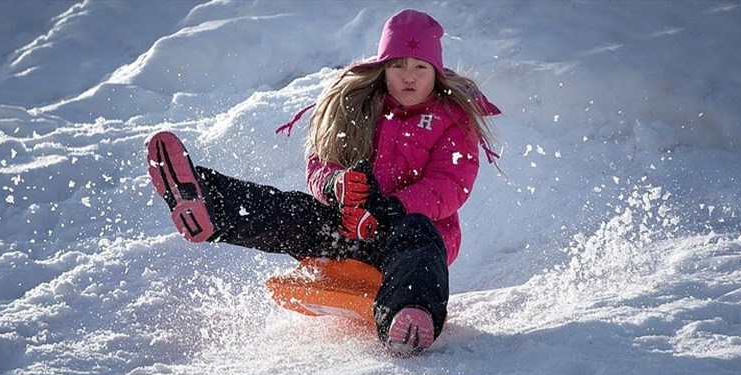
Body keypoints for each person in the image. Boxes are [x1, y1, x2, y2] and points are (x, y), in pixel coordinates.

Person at [146, 9, 500, 355]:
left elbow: (449, 185)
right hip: (347, 227)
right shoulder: (359, 105)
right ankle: (210, 204)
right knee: (294, 211)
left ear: (435, 72)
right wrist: (336, 186)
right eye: (397, 65)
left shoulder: (450, 118)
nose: (409, 77)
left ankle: (409, 313)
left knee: (419, 239)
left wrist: (391, 207)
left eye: (420, 67)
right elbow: (320, 164)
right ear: (382, 69)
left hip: (405, 232)